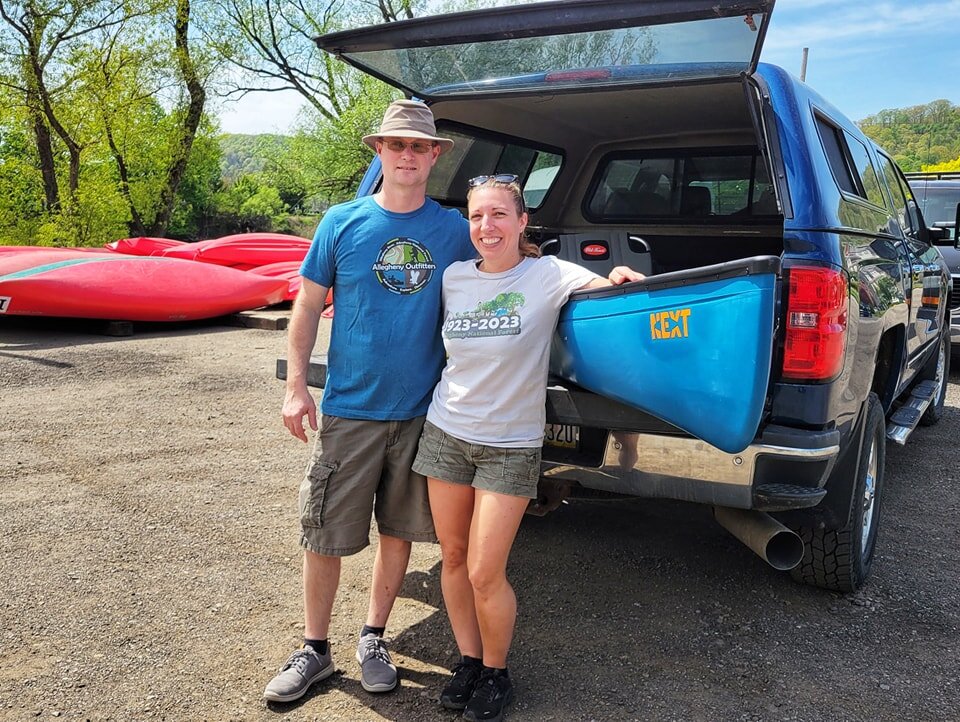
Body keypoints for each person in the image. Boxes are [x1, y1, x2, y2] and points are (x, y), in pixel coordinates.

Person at [263, 99, 475, 703]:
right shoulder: (341, 222)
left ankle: (374, 636)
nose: (407, 155)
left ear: (435, 156)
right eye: (396, 145)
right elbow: (306, 305)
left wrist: (597, 278)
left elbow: (510, 271)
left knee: (399, 532)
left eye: (419, 147)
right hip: (351, 409)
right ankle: (315, 649)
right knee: (324, 531)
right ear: (378, 151)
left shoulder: (454, 231)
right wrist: (295, 386)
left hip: (421, 413)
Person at [411, 174, 644, 721]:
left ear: (522, 222)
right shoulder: (452, 278)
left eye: (498, 215)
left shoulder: (548, 273)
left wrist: (621, 275)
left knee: (485, 571)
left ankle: (497, 672)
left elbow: (610, 294)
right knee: (452, 557)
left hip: (509, 445)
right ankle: (468, 661)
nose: (486, 227)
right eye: (476, 217)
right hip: (446, 432)